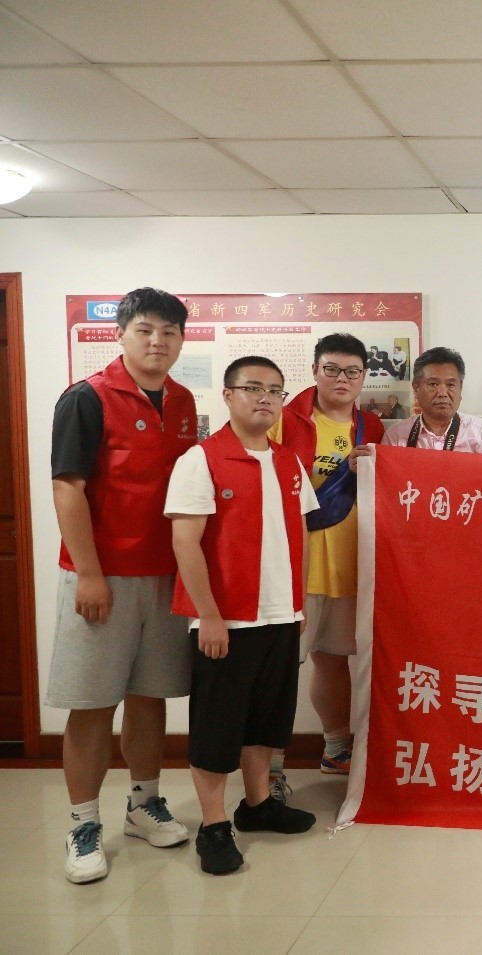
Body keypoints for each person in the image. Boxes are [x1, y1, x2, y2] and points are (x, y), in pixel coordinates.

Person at [47, 287, 197, 885]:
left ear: (181, 340)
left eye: (169, 331)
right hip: (101, 578)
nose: (157, 341)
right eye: (145, 330)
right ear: (121, 334)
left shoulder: (183, 400)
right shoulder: (86, 398)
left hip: (164, 575)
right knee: (92, 703)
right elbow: (67, 487)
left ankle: (143, 803)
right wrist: (88, 573)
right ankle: (83, 824)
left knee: (149, 695)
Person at [166, 356, 320, 875]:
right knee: (217, 726)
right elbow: (185, 543)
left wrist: (297, 604)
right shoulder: (201, 459)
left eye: (275, 390)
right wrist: (208, 615)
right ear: (228, 395)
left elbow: (300, 535)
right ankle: (213, 826)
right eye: (253, 388)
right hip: (227, 620)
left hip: (281, 615)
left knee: (266, 719)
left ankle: (257, 806)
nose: (265, 398)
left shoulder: (288, 461)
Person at [267, 334, 385, 800]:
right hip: (295, 566)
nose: (342, 379)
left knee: (333, 660)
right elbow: (268, 481)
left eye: (352, 371)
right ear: (315, 370)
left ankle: (336, 749)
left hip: (351, 565)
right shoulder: (286, 417)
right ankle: (270, 769)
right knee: (279, 668)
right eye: (332, 369)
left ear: (363, 377)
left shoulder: (372, 426)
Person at [383, 346, 482, 454]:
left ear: (460, 388)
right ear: (416, 388)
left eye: (451, 385)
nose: (442, 393)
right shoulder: (395, 436)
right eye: (433, 384)